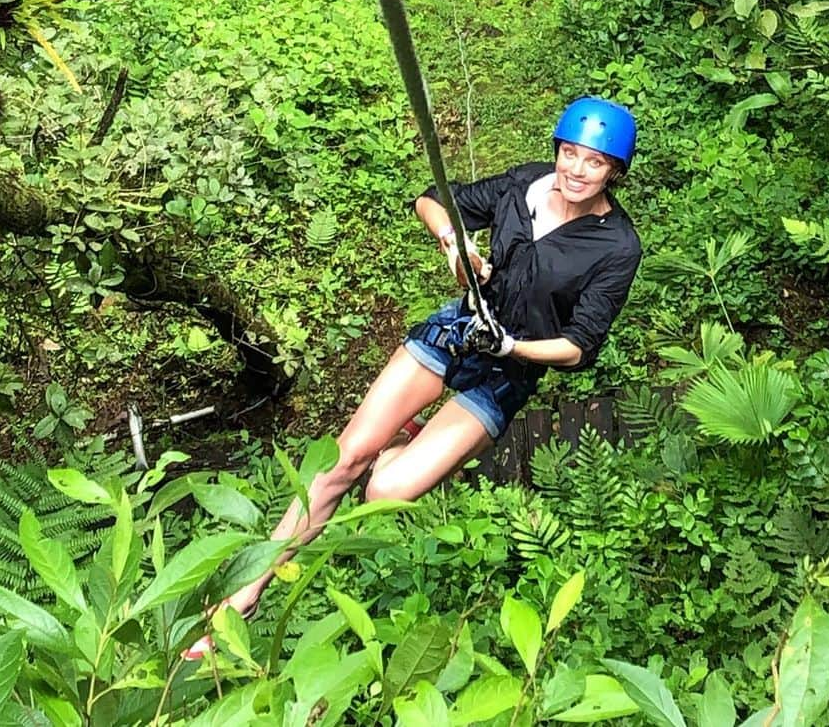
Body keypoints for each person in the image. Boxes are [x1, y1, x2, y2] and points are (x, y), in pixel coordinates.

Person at [184, 97, 640, 659]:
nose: (575, 170)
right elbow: (431, 200)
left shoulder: (617, 246)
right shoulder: (524, 186)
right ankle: (242, 597)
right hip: (457, 332)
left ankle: (400, 440)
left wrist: (513, 346)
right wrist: (457, 246)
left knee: (384, 488)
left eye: (593, 162)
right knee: (342, 462)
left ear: (614, 172)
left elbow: (577, 346)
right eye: (569, 153)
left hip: (506, 374)